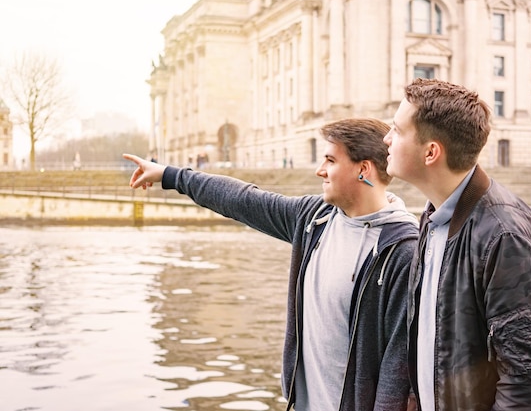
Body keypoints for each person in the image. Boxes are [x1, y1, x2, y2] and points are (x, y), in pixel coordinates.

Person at [123, 118, 419, 410]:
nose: (320, 171)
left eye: (330, 160)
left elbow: (398, 370)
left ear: (363, 170)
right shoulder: (313, 219)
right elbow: (243, 200)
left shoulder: (402, 251)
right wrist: (170, 176)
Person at [383, 78, 531, 410]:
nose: (386, 139)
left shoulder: (504, 235)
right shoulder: (434, 215)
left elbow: (527, 378)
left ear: (431, 152)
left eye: (396, 130)